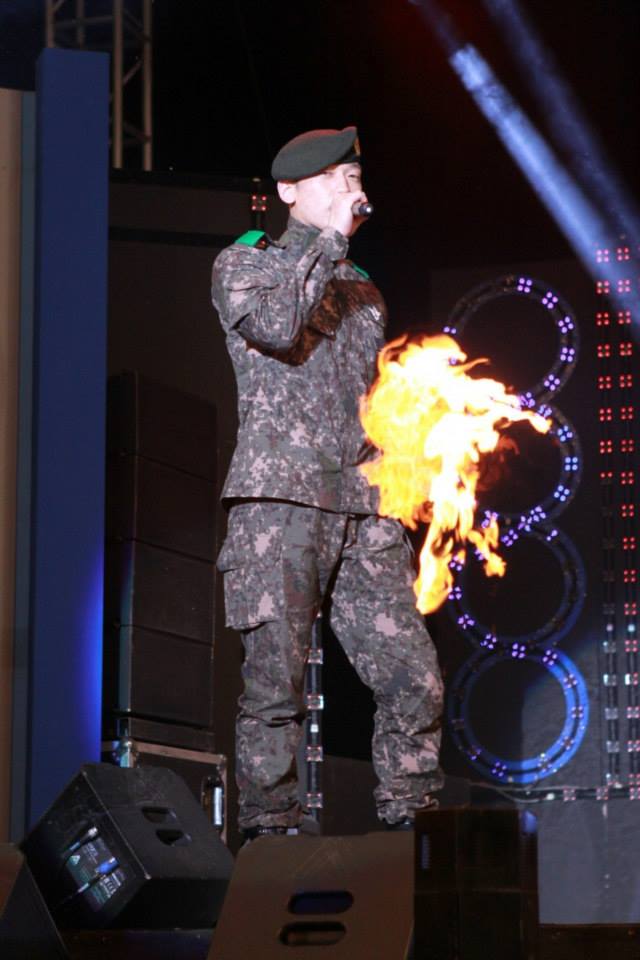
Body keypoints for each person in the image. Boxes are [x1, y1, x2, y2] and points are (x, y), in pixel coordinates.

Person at [211, 126, 443, 841]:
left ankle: (412, 827)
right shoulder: (245, 264)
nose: (352, 184)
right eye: (336, 175)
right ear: (289, 190)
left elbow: (368, 402)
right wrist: (330, 240)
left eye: (356, 174)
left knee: (414, 678)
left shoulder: (362, 288)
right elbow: (279, 327)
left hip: (363, 509)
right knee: (275, 688)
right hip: (280, 503)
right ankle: (272, 829)